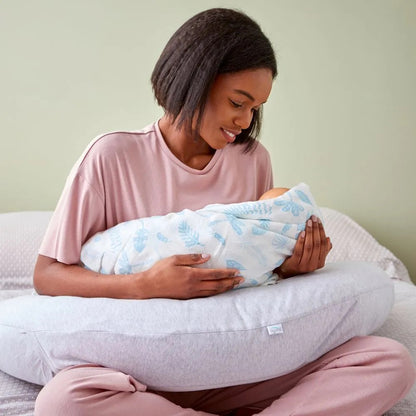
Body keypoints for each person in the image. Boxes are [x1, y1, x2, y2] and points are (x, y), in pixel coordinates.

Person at [33, 8, 415, 416]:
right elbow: (48, 274)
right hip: (143, 376)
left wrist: (289, 269)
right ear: (194, 80)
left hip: (242, 369)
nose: (245, 120)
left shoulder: (253, 160)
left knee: (386, 361)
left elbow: (258, 273)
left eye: (256, 108)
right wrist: (144, 284)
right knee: (63, 401)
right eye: (238, 102)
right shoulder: (111, 157)